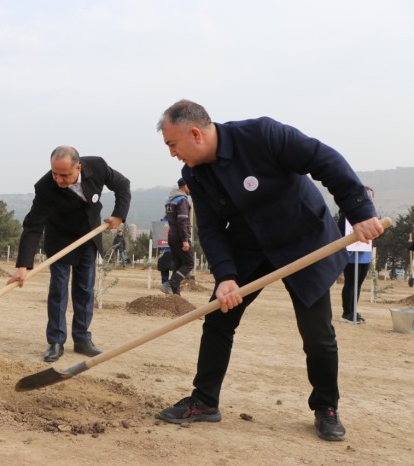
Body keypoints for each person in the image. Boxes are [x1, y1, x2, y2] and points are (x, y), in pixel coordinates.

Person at [156, 99, 383, 442]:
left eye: (173, 144)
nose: (172, 153)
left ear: (194, 134)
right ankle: (204, 401)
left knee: (317, 333)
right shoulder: (195, 174)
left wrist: (360, 209)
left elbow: (325, 160)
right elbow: (214, 230)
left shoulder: (261, 135)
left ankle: (326, 407)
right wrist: (226, 277)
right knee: (219, 317)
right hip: (250, 245)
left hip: (305, 240)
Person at [7, 145, 131, 362]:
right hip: (60, 239)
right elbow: (33, 225)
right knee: (58, 289)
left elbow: (122, 185)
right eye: (55, 173)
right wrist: (22, 266)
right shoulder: (46, 187)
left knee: (84, 289)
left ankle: (82, 339)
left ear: (78, 167)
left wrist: (119, 215)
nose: (59, 180)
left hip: (89, 236)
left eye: (64, 175)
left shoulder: (98, 166)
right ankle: (56, 341)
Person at [338, 187, 375, 324]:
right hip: (352, 253)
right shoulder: (347, 214)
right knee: (351, 283)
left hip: (365, 252)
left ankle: (354, 310)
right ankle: (346, 312)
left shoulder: (370, 215)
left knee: (358, 284)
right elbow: (342, 232)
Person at [160, 178, 194, 295]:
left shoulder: (170, 200)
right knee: (189, 263)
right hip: (180, 236)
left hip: (172, 235)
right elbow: (182, 220)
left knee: (177, 264)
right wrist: (185, 240)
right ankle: (170, 283)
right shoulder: (182, 200)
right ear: (185, 186)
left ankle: (176, 296)